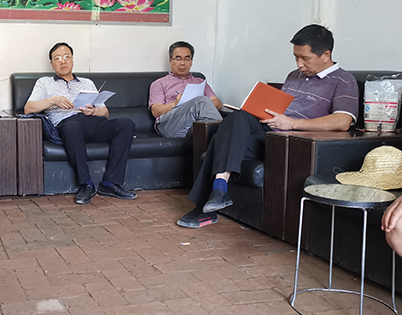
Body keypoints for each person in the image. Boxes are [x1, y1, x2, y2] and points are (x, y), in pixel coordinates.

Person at [178, 24, 359, 228]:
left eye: (305, 58)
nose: (299, 64)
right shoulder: (294, 75)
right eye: (296, 57)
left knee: (220, 142)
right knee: (238, 117)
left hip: (291, 141)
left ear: (326, 55)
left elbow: (343, 121)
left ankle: (207, 204)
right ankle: (218, 192)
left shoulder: (344, 81)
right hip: (268, 131)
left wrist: (292, 124)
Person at [24, 42, 137, 205]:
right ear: (51, 64)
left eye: (66, 57)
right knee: (72, 126)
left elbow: (105, 112)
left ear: (72, 59)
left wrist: (93, 111)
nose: (63, 61)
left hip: (92, 122)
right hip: (67, 124)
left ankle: (110, 183)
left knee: (126, 124)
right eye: (57, 58)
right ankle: (86, 184)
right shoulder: (44, 83)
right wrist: (53, 100)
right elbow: (28, 108)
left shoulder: (86, 82)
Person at [148, 41, 223, 138]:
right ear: (170, 61)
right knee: (202, 101)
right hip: (169, 124)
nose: (182, 63)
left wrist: (197, 106)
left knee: (203, 103)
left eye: (187, 59)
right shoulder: (159, 83)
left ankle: (221, 136)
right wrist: (175, 103)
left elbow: (218, 103)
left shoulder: (200, 81)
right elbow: (156, 111)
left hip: (195, 123)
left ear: (191, 62)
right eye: (178, 59)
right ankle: (223, 133)